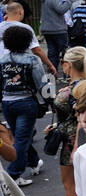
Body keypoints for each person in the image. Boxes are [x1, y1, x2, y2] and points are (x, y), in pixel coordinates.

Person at [45, 47, 86, 196]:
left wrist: (76, 146)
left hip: (73, 142)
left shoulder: (76, 88)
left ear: (68, 65)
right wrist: (58, 125)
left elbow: (81, 119)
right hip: (81, 138)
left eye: (63, 62)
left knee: (71, 186)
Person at [0, 24, 49, 186]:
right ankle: (13, 175)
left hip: (7, 102)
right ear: (27, 41)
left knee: (20, 136)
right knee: (22, 138)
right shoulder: (32, 60)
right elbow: (41, 83)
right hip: (26, 101)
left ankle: (34, 162)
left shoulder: (2, 60)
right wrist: (50, 100)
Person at [1, 1, 56, 75]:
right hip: (20, 65)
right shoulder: (25, 28)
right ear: (21, 12)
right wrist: (50, 65)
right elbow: (37, 50)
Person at [40, 0, 74, 66]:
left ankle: (52, 74)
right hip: (57, 29)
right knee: (65, 52)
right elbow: (61, 9)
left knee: (52, 53)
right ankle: (67, 74)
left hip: (48, 30)